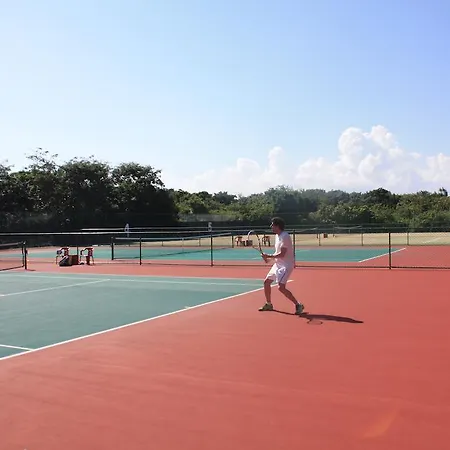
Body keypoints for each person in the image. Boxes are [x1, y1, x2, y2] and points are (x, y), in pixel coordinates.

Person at [258, 217, 304, 315]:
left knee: (281, 288)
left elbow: (282, 254)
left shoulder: (285, 236)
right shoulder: (277, 236)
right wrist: (267, 259)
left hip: (285, 266)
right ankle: (269, 304)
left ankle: (298, 304)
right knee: (266, 282)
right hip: (277, 264)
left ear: (277, 226)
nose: (271, 226)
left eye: (272, 224)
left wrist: (268, 256)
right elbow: (277, 253)